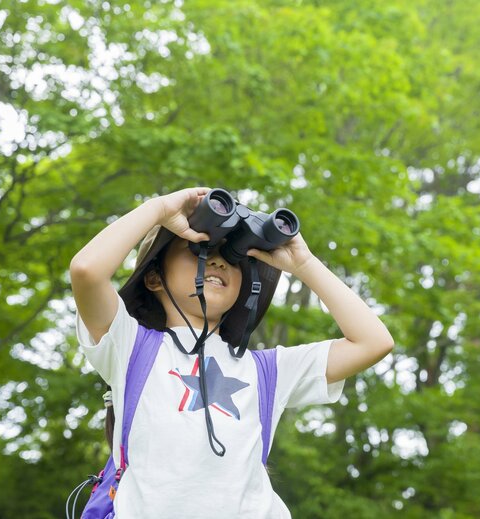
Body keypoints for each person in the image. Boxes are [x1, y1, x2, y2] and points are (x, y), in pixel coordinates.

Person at [69, 187, 394, 518]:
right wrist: (161, 209)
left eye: (234, 257)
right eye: (197, 248)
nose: (217, 261)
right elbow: (86, 271)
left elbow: (373, 342)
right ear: (154, 278)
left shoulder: (267, 370)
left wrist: (304, 264)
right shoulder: (131, 347)